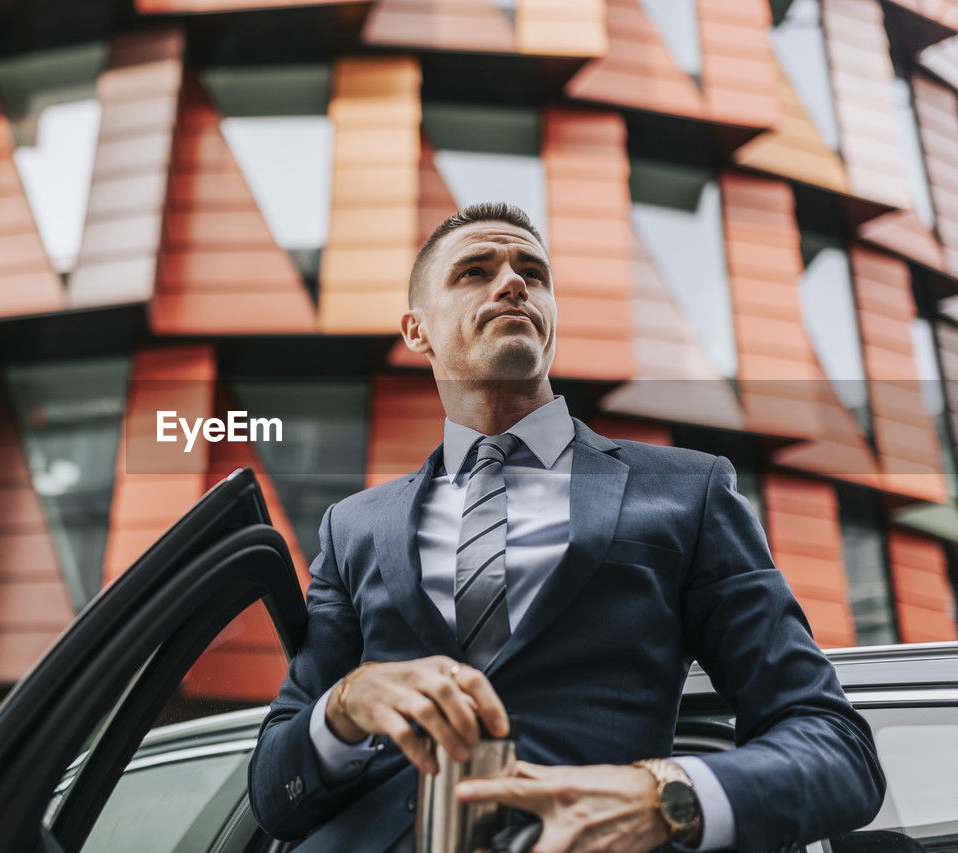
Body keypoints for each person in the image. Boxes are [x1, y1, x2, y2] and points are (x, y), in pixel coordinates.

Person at [246, 202, 885, 853]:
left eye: (533, 271)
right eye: (474, 271)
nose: (513, 282)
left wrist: (663, 795)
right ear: (417, 331)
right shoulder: (352, 526)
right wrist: (344, 704)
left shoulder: (689, 492)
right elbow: (275, 794)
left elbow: (836, 746)